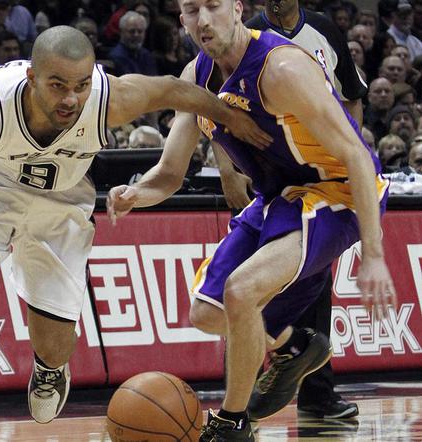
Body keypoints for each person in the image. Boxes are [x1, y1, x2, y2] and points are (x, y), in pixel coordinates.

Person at [0, 25, 269, 442]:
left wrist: (231, 117)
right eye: (57, 86)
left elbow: (174, 91)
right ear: (32, 78)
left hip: (62, 200)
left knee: (54, 344)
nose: (71, 98)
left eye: (81, 85)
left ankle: (50, 368)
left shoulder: (110, 97)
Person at [107, 0, 394, 440]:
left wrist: (374, 255)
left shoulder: (281, 68)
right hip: (279, 197)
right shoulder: (196, 76)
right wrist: (135, 192)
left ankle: (232, 423)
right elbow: (168, 173)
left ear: (238, 9)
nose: (202, 20)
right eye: (190, 10)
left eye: (213, 6)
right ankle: (293, 345)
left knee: (241, 292)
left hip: (338, 191)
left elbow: (357, 155)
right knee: (205, 312)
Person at [223, 0, 367, 420]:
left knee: (317, 285)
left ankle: (318, 396)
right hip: (269, 177)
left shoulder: (323, 30)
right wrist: (228, 171)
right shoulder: (245, 33)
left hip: (320, 176)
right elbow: (217, 106)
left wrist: (351, 154)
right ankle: (239, 399)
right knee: (243, 287)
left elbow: (352, 97)